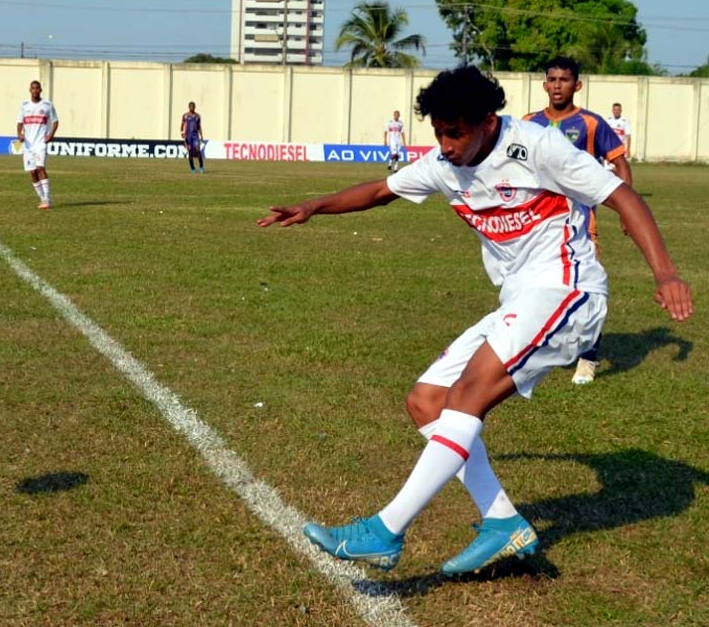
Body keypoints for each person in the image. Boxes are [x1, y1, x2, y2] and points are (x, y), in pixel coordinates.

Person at [257, 66, 691, 577]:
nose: (445, 144)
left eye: (455, 132)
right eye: (438, 131)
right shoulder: (445, 164)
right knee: (426, 401)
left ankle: (384, 530)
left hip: (569, 290)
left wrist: (665, 274)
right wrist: (312, 206)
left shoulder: (537, 147)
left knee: (467, 394)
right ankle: (503, 522)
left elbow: (623, 196)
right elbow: (381, 191)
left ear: (487, 121)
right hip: (518, 300)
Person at [524, 57, 632, 385]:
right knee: (535, 288)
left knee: (586, 290)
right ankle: (536, 347)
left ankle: (588, 358)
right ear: (544, 84)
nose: (557, 85)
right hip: (538, 224)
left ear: (577, 85)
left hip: (581, 222)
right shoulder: (528, 123)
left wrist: (629, 209)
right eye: (552, 79)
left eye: (564, 80)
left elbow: (620, 164)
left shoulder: (591, 123)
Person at [16, 80, 59, 209]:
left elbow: (55, 121)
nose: (35, 90)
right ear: (30, 90)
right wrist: (19, 134)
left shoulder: (47, 105)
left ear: (40, 90)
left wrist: (51, 135)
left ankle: (47, 198)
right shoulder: (24, 105)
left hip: (40, 143)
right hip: (28, 144)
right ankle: (42, 198)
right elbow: (19, 122)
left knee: (40, 168)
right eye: (33, 88)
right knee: (33, 172)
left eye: (37, 88)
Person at [181, 102, 205, 174]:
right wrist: (182, 133)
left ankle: (201, 166)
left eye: (193, 107)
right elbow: (182, 125)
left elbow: (199, 127)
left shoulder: (198, 116)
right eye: (191, 106)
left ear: (195, 107)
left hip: (195, 136)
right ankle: (192, 169)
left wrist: (201, 135)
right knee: (190, 153)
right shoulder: (185, 115)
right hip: (188, 136)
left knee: (198, 151)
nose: (192, 108)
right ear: (189, 107)